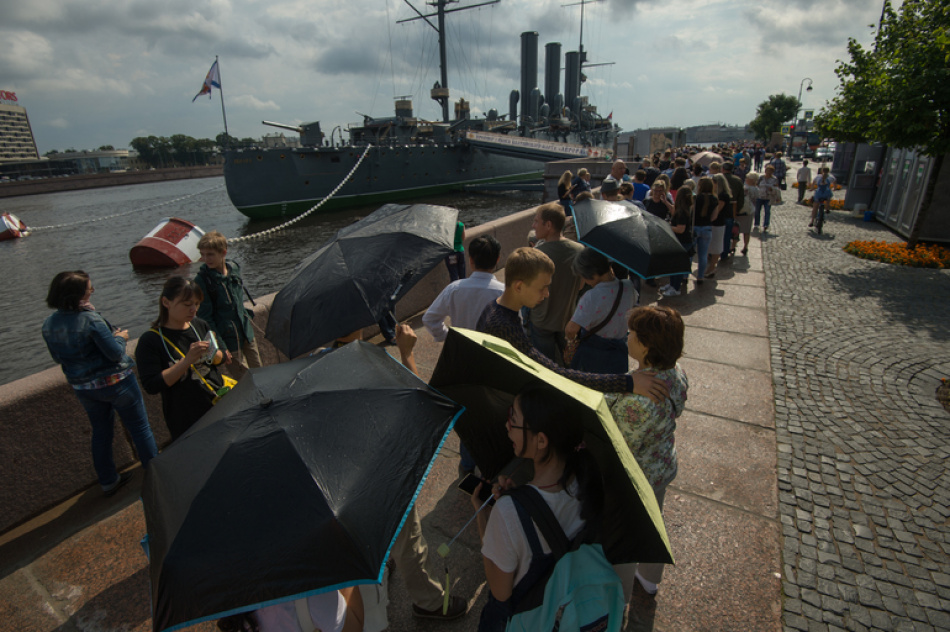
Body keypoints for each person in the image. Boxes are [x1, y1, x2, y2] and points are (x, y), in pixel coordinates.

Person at [473, 384, 606, 631]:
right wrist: (521, 498)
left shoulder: (507, 514)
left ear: (541, 440)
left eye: (513, 420)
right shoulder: (587, 481)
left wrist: (486, 517)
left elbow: (500, 592)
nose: (507, 426)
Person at [476, 247, 668, 401]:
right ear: (519, 286)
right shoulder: (505, 327)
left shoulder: (494, 308)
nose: (547, 294)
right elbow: (558, 374)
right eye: (543, 287)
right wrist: (628, 383)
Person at [42, 271, 158, 496]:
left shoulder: (49, 324)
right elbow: (115, 354)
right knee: (139, 427)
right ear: (77, 295)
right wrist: (120, 337)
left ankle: (108, 481)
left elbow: (58, 358)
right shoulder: (90, 319)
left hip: (84, 389)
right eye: (89, 290)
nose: (92, 292)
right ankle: (155, 471)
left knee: (101, 432)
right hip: (116, 383)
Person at [606, 306, 688, 600]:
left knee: (627, 537)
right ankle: (650, 577)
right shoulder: (675, 372)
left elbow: (619, 442)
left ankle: (618, 597)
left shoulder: (636, 399)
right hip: (662, 464)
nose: (626, 337)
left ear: (645, 345)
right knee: (654, 520)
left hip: (636, 475)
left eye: (631, 333)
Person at [135, 276, 230, 441]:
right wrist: (187, 361)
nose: (193, 310)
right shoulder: (150, 341)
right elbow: (152, 385)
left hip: (217, 402)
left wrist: (213, 352)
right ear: (166, 303)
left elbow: (221, 358)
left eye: (197, 304)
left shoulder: (199, 325)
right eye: (187, 305)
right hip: (186, 417)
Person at [195, 231, 260, 381]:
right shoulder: (202, 280)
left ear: (223, 252)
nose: (205, 259)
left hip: (245, 331)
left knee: (260, 370)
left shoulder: (234, 269)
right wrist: (221, 346)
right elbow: (205, 318)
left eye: (210, 254)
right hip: (228, 338)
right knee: (246, 380)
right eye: (202, 254)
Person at [565, 248, 638, 374]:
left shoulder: (591, 296)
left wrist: (570, 339)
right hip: (619, 354)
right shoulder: (628, 286)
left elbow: (571, 329)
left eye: (583, 277)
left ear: (592, 275)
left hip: (594, 355)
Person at [528, 204, 584, 366]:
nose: (533, 225)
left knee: (545, 365)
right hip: (568, 319)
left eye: (536, 221)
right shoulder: (579, 250)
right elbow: (580, 286)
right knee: (568, 362)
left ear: (549, 225)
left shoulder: (537, 254)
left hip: (541, 320)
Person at [424, 235, 504, 342]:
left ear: (471, 260)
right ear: (497, 259)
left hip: (462, 349)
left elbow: (429, 319)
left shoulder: (453, 289)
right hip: (493, 352)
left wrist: (447, 336)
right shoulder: (503, 292)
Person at [660, 186, 694, 297]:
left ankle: (676, 288)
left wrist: (667, 226)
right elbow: (674, 210)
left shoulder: (683, 212)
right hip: (680, 242)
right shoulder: (683, 209)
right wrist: (666, 202)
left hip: (682, 242)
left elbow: (680, 229)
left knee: (677, 266)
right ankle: (672, 284)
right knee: (674, 265)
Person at [692, 177, 720, 283]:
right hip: (707, 228)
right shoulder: (714, 199)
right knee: (703, 255)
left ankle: (685, 276)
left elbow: (692, 212)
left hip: (695, 227)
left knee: (690, 253)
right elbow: (714, 217)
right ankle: (700, 276)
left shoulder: (696, 198)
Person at [706, 174, 731, 278]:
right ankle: (710, 266)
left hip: (718, 223)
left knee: (716, 246)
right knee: (711, 245)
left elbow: (718, 210)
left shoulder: (723, 196)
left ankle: (712, 267)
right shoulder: (715, 194)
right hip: (714, 223)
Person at [721, 163, 745, 259]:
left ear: (723, 168)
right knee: (727, 234)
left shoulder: (718, 179)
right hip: (731, 210)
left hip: (719, 209)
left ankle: (712, 253)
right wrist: (737, 210)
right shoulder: (737, 180)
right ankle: (725, 253)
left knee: (716, 233)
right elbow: (741, 198)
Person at [754, 164, 779, 232]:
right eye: (767, 171)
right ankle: (756, 224)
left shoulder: (774, 179)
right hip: (760, 196)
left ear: (772, 172)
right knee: (757, 211)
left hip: (768, 197)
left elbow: (777, 188)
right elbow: (756, 185)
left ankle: (766, 225)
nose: (768, 172)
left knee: (767, 211)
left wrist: (772, 189)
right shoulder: (761, 177)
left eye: (770, 171)